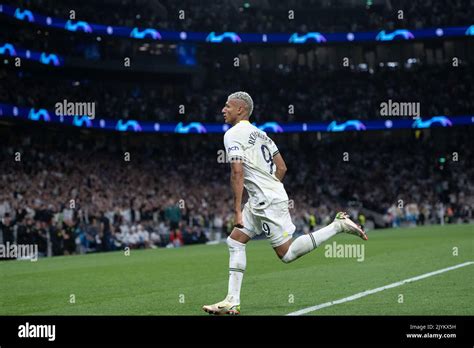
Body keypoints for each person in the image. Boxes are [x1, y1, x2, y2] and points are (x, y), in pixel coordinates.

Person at [202, 92, 368, 315]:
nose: (223, 110)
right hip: (266, 197)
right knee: (235, 241)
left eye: (227, 106)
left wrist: (238, 210)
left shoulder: (232, 134)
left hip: (264, 200)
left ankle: (337, 225)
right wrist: (269, 189)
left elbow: (237, 171)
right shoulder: (263, 135)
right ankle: (231, 300)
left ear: (240, 109)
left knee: (287, 254)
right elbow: (282, 168)